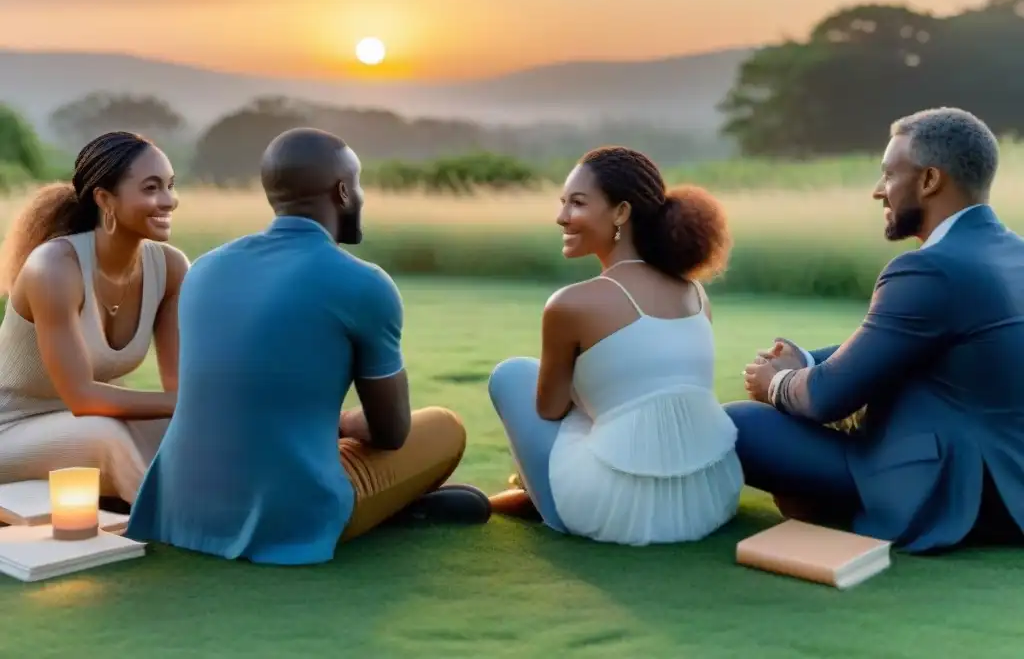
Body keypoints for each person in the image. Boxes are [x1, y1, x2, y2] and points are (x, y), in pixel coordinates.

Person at [125, 127, 490, 565]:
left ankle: (398, 507)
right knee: (444, 427)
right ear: (341, 191)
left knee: (296, 438)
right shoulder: (363, 283)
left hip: (179, 510)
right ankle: (390, 509)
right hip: (287, 520)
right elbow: (391, 433)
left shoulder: (204, 269)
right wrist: (344, 422)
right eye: (357, 185)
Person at [731, 106, 1024, 553]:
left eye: (888, 175)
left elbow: (828, 398)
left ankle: (833, 508)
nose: (877, 191)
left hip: (955, 491)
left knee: (740, 424)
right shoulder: (1010, 252)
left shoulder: (931, 270)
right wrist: (807, 360)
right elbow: (896, 346)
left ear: (929, 181)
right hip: (1010, 486)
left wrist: (777, 383)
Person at [486, 145, 741, 545]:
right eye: (563, 203)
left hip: (616, 513)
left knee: (512, 375)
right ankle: (529, 491)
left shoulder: (569, 304)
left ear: (621, 212)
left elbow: (549, 409)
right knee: (608, 399)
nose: (562, 217)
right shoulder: (695, 293)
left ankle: (541, 502)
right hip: (709, 502)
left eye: (577, 203)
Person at [0, 131, 188, 504]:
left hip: (88, 422)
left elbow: (178, 388)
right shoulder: (54, 267)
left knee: (190, 426)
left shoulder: (170, 268)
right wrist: (190, 402)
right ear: (105, 199)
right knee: (107, 438)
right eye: (151, 188)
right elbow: (82, 397)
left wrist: (198, 408)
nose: (169, 201)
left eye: (170, 186)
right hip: (12, 429)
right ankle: (180, 520)